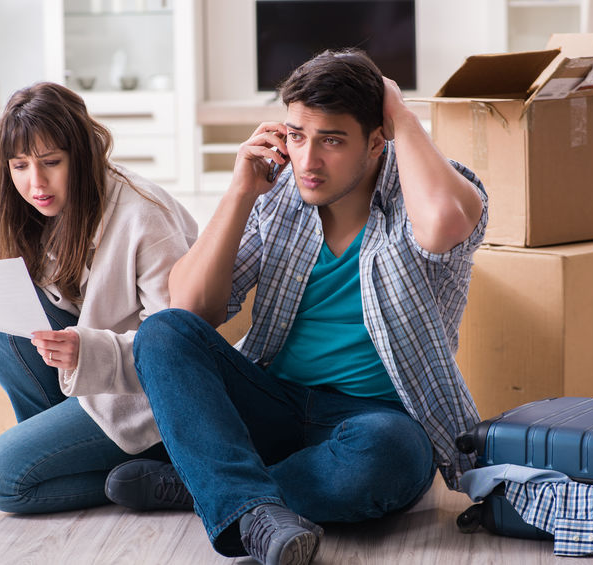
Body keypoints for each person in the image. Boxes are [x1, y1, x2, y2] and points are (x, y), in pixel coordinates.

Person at [104, 49, 488, 565]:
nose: (307, 161)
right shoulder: (279, 193)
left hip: (376, 422)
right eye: (297, 136)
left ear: (377, 140)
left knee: (387, 455)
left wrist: (399, 111)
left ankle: (212, 490)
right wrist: (240, 190)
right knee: (164, 332)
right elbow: (190, 307)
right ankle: (236, 496)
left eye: (331, 140)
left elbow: (443, 225)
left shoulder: (431, 187)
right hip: (274, 402)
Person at [0, 82, 197, 514]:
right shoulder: (43, 210)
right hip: (84, 381)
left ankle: (173, 468)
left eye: (51, 162)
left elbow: (178, 346)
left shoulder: (143, 215)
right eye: (20, 166)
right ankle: (118, 468)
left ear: (83, 153)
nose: (36, 183)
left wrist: (90, 350)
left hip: (141, 398)